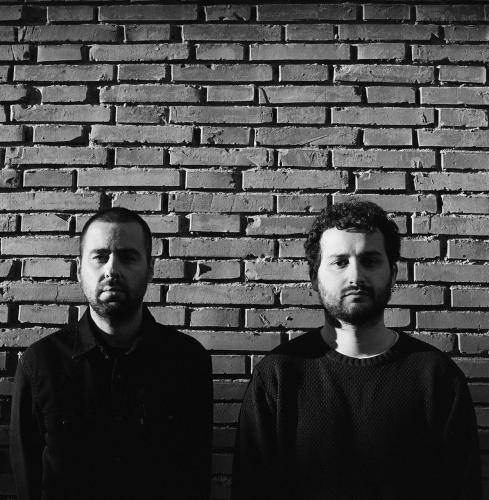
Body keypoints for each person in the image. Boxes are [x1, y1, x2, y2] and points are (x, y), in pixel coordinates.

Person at [231, 200, 481, 500]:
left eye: (370, 261)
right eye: (340, 262)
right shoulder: (278, 377)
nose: (356, 277)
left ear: (393, 273)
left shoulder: (436, 377)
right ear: (314, 277)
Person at [10, 207, 213, 500]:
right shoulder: (40, 364)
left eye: (128, 257)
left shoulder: (188, 362)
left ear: (150, 268)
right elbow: (26, 482)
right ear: (79, 269)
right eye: (100, 256)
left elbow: (196, 478)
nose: (112, 270)